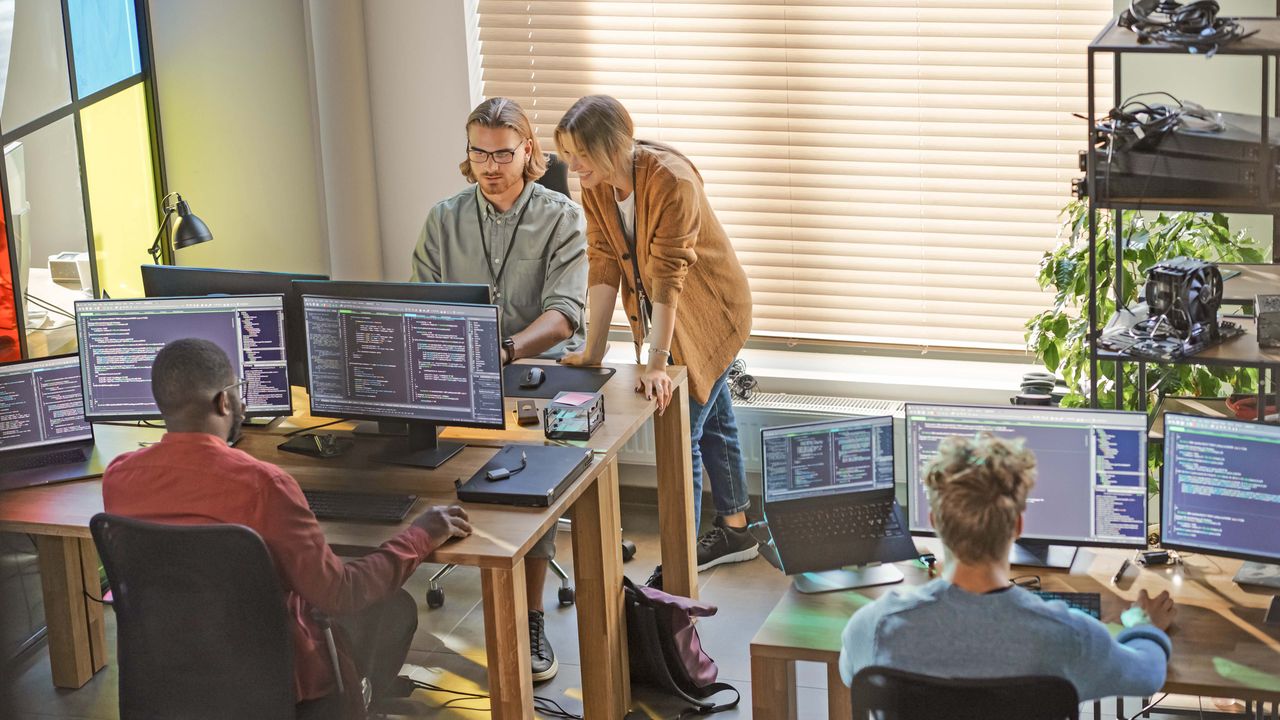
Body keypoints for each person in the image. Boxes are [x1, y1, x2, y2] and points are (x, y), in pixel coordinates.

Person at [103, 339, 473, 717]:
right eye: (238, 391)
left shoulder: (119, 477)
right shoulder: (264, 485)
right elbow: (341, 594)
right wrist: (421, 533)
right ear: (224, 402)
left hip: (170, 673)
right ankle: (354, 700)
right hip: (276, 683)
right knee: (392, 609)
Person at [410, 96, 586, 682]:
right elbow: (420, 305)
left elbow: (564, 316)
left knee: (527, 473)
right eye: (478, 153)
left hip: (537, 376)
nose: (489, 166)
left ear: (528, 151)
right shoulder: (444, 218)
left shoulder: (561, 216)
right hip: (459, 375)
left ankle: (530, 620)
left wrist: (504, 350)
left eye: (502, 154)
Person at [554, 95, 756, 572]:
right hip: (675, 317)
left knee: (680, 427)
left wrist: (656, 365)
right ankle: (738, 529)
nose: (573, 166)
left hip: (712, 313)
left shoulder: (672, 182)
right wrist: (593, 351)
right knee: (715, 417)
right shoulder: (598, 183)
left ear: (610, 146)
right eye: (568, 154)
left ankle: (679, 562)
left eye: (581, 154)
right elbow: (603, 260)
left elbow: (669, 278)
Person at [838, 433, 1175, 702]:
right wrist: (1145, 625)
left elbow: (852, 675)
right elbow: (1147, 675)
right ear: (1016, 526)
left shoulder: (873, 627)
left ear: (935, 523)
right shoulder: (1067, 636)